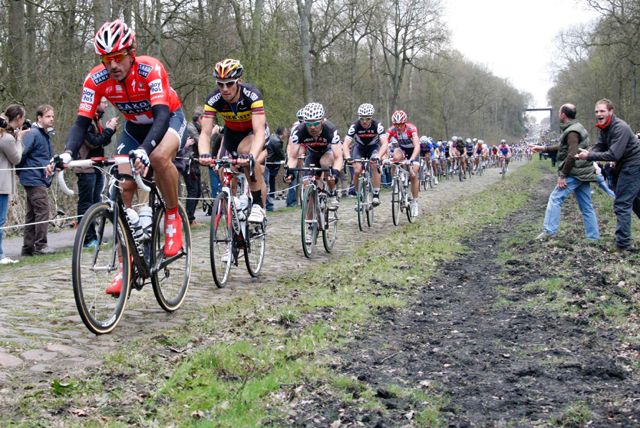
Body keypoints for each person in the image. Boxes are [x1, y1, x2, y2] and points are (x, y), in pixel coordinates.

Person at [52, 20, 188, 295]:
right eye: (106, 59)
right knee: (122, 184)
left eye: (118, 57)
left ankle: (172, 216)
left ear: (131, 53)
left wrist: (146, 149)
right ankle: (127, 264)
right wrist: (67, 153)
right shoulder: (96, 79)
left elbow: (161, 115)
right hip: (135, 127)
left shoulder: (151, 69)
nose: (113, 65)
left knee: (160, 158)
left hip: (168, 119)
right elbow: (81, 122)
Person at [198, 58, 268, 224]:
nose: (224, 89)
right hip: (231, 132)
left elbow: (259, 131)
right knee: (222, 168)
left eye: (229, 83)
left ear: (239, 81)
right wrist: (204, 153)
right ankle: (236, 208)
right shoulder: (213, 99)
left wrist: (251, 156)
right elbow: (205, 133)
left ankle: (258, 206)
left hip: (253, 131)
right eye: (220, 84)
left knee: (247, 159)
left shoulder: (252, 95)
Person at [576, 98, 640, 251]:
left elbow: (613, 154)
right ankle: (623, 241)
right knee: (636, 202)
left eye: (602, 111)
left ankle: (623, 244)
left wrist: (589, 157)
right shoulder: (605, 128)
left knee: (622, 203)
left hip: (634, 164)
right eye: (597, 111)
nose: (599, 114)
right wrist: (589, 152)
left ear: (611, 111)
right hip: (624, 165)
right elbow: (600, 146)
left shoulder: (620, 128)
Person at [531, 103, 599, 241]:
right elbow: (564, 147)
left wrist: (563, 175)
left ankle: (549, 231)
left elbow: (571, 154)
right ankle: (593, 238)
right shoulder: (576, 128)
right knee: (586, 206)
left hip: (575, 172)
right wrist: (544, 148)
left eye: (559, 112)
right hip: (583, 172)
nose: (558, 115)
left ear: (563, 114)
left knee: (555, 198)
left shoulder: (572, 132)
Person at [74, 97, 118, 247]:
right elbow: (93, 142)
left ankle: (94, 237)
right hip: (86, 167)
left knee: (95, 203)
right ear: (96, 104)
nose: (106, 105)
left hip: (96, 167)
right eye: (104, 103)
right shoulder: (85, 121)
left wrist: (110, 131)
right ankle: (86, 239)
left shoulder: (96, 119)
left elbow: (102, 141)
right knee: (86, 203)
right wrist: (108, 130)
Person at [285, 102, 342, 209]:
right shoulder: (298, 131)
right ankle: (311, 222)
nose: (312, 127)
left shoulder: (330, 130)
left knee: (325, 163)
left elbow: (338, 157)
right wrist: (290, 171)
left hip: (327, 152)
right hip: (312, 154)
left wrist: (336, 173)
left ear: (322, 120)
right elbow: (293, 156)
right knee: (307, 183)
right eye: (308, 124)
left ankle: (332, 192)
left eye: (315, 124)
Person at [17, 104, 55, 256]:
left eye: (52, 116)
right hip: (33, 178)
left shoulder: (45, 135)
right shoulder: (33, 133)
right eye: (48, 116)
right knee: (42, 211)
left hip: (39, 177)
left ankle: (27, 248)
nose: (51, 119)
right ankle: (41, 245)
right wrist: (22, 172)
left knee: (32, 213)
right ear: (39, 118)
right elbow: (21, 154)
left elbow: (43, 156)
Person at [342, 103, 388, 206]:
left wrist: (379, 156)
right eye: (362, 118)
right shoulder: (355, 126)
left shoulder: (378, 125)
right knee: (357, 170)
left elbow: (385, 143)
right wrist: (348, 157)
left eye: (367, 119)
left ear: (371, 118)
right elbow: (345, 144)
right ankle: (358, 195)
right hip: (359, 148)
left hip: (373, 148)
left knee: (374, 164)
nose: (364, 121)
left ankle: (376, 194)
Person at [0, 105, 28, 264]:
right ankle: (0, 255)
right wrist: (19, 139)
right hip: (1, 184)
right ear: (18, 119)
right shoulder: (7, 138)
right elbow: (16, 158)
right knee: (0, 221)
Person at [387, 110, 420, 217]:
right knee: (395, 159)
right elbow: (384, 144)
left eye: (401, 124)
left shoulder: (411, 129)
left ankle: (414, 202)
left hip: (413, 151)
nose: (399, 127)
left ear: (405, 123)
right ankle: (396, 180)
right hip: (402, 150)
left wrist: (411, 159)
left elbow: (417, 146)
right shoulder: (391, 130)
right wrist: (385, 158)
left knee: (413, 175)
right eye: (396, 125)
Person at [183, 109, 203, 225]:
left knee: (198, 191)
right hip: (187, 163)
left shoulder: (197, 128)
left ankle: (191, 217)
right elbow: (201, 142)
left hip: (194, 163)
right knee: (193, 190)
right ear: (200, 118)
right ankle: (188, 219)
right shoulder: (191, 128)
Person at [265, 127, 286, 211]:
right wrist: (285, 158)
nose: (286, 134)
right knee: (268, 184)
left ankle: (269, 204)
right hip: (269, 164)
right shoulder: (277, 141)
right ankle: (269, 205)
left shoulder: (273, 138)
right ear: (282, 133)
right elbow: (280, 154)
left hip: (271, 164)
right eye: (285, 132)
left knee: (270, 182)